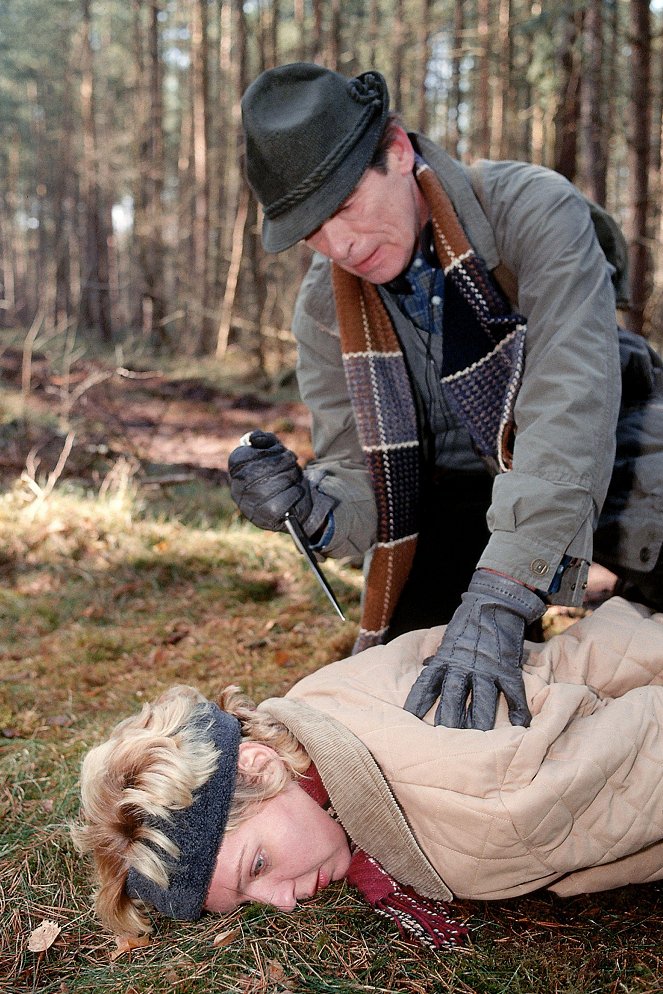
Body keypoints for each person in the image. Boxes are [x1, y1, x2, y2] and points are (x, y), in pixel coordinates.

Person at [227, 63, 663, 734]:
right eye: (311, 232)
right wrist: (309, 507)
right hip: (455, 496)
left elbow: (568, 407)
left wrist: (499, 596)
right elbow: (360, 484)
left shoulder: (531, 209)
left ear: (396, 152)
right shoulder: (324, 308)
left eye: (342, 208)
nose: (337, 246)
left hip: (599, 447)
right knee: (423, 693)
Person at [74, 596, 663, 951]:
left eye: (257, 866)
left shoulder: (475, 834)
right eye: (248, 901)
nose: (282, 903)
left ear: (259, 766)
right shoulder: (315, 702)